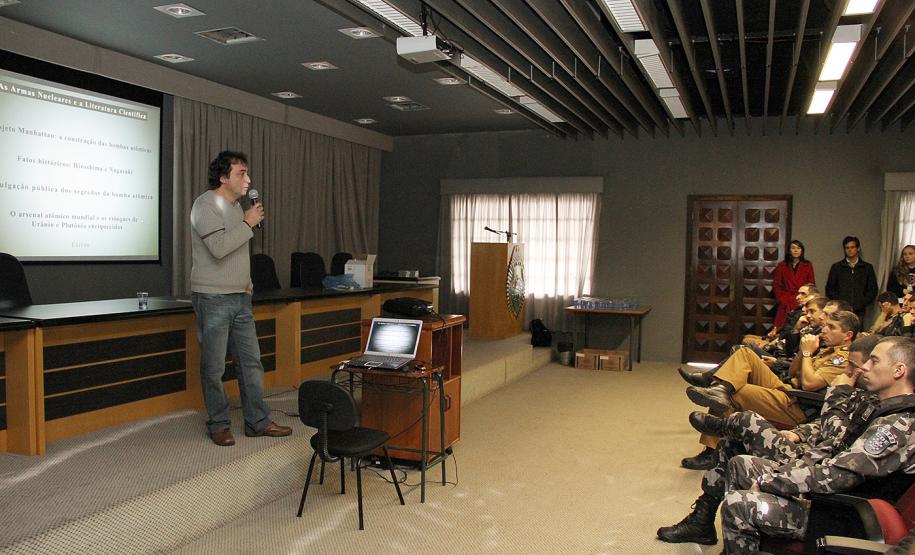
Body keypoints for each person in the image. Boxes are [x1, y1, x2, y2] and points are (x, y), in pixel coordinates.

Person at [657, 335, 881, 545]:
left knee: (746, 420)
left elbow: (836, 438)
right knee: (733, 440)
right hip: (808, 444)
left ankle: (724, 425)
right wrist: (799, 433)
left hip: (815, 464)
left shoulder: (878, 407)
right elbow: (823, 423)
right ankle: (702, 519)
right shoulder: (861, 392)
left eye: (855, 366)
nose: (848, 370)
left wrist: (837, 392)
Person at [718, 336, 915, 553]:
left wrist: (770, 482)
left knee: (738, 503)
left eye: (874, 361)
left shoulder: (898, 424)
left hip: (843, 512)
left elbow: (839, 474)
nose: (865, 367)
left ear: (898, 370)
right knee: (741, 465)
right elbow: (835, 445)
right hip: (827, 494)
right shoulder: (877, 406)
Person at [190, 150, 292, 446]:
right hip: (213, 298)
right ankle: (219, 424)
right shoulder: (205, 205)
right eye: (241, 173)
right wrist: (248, 223)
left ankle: (257, 421)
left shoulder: (237, 208)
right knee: (214, 367)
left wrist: (246, 284)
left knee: (251, 363)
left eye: (247, 173)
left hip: (240, 298)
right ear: (223, 178)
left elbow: (236, 252)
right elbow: (219, 248)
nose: (248, 179)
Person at [685, 311, 858, 428]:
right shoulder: (827, 350)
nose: (824, 330)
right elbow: (792, 373)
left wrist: (807, 353)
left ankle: (711, 450)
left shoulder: (843, 358)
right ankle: (720, 388)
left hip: (801, 405)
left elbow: (810, 384)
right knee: (745, 353)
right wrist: (803, 350)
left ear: (848, 335)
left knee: (736, 392)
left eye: (831, 327)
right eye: (826, 325)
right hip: (791, 390)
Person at [826, 236, 878, 322]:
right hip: (840, 310)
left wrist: (861, 303)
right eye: (847, 248)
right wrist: (839, 303)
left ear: (858, 248)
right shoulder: (837, 267)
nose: (850, 250)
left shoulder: (867, 268)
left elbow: (873, 290)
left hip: (859, 311)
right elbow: (830, 289)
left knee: (857, 330)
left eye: (852, 247)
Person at [773, 240, 815, 328]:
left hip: (801, 300)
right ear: (789, 250)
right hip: (786, 300)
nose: (796, 250)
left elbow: (811, 285)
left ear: (802, 250)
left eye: (798, 248)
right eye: (793, 248)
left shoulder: (807, 265)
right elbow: (777, 285)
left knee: (799, 325)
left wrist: (805, 299)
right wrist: (782, 299)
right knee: (782, 326)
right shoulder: (782, 265)